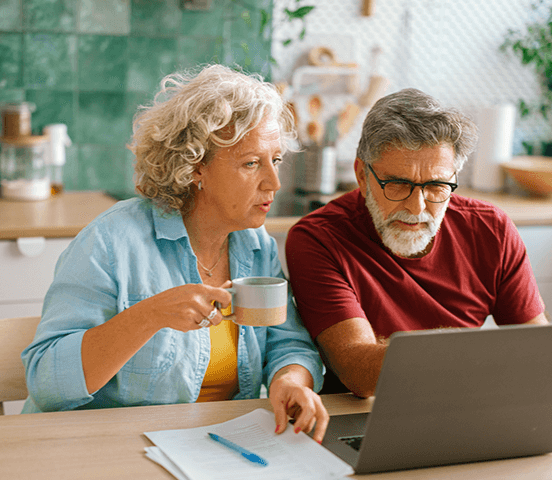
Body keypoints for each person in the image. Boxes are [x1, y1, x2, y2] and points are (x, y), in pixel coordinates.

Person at [22, 64, 329, 442]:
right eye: (251, 163)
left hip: (215, 446)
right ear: (196, 166)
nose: (274, 182)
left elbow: (287, 341)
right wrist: (150, 315)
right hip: (105, 449)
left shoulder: (256, 244)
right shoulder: (111, 241)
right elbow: (47, 382)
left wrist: (291, 381)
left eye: (276, 160)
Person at [285, 88, 552, 398]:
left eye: (436, 186)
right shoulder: (318, 239)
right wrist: (475, 352)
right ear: (362, 177)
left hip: (466, 403)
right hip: (363, 415)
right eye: (397, 184)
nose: (417, 207)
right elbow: (358, 370)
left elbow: (534, 340)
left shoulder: (492, 229)